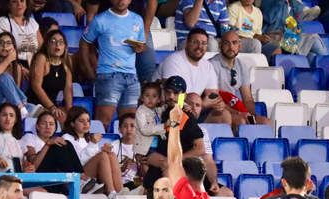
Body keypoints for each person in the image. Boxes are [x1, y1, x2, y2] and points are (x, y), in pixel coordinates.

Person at [80, 0, 145, 130]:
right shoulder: (100, 19)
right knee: (103, 122)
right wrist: (87, 68)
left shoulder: (137, 19)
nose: (121, 1)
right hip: (109, 75)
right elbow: (84, 42)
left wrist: (139, 48)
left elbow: (141, 46)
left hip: (132, 77)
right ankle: (97, 149)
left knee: (129, 125)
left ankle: (124, 151)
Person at [157, 28, 229, 125]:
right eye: (195, 42)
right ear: (187, 43)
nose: (200, 46)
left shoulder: (207, 66)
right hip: (170, 109)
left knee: (224, 115)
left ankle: (207, 140)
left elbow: (213, 96)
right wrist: (201, 104)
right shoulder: (174, 60)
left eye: (204, 43)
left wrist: (218, 104)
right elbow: (171, 97)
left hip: (194, 108)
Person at [208, 29, 269, 129]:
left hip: (234, 108)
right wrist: (239, 113)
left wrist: (251, 117)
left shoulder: (242, 66)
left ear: (239, 46)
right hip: (216, 110)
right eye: (226, 43)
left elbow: (248, 99)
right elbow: (213, 98)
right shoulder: (212, 64)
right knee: (241, 121)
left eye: (234, 43)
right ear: (220, 45)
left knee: (265, 123)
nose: (231, 47)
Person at [62, 106, 124, 196]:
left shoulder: (88, 139)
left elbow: (92, 157)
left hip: (90, 172)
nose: (86, 124)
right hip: (79, 176)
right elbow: (77, 162)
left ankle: (120, 191)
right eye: (81, 121)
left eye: (88, 121)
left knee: (111, 154)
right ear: (72, 123)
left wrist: (101, 149)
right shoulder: (67, 138)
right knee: (102, 156)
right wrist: (94, 144)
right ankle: (111, 193)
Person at [20, 110, 84, 181]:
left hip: (55, 171)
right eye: (44, 123)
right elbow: (34, 164)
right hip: (39, 173)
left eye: (51, 124)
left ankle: (80, 177)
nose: (48, 127)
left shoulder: (55, 141)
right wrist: (47, 145)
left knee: (66, 143)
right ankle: (77, 179)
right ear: (37, 127)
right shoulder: (29, 137)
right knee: (57, 147)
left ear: (55, 129)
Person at [27, 29, 73, 124]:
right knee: (57, 120)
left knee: (72, 121)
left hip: (52, 107)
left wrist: (71, 113)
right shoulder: (42, 58)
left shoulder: (65, 67)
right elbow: (36, 86)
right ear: (47, 45)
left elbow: (68, 91)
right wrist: (52, 107)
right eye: (53, 41)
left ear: (65, 47)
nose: (57, 45)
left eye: (61, 42)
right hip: (34, 105)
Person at [0, 0, 42, 64]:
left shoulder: (32, 22)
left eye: (22, 1)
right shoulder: (3, 23)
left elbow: (42, 47)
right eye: (14, 1)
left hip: (34, 63)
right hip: (13, 64)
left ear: (26, 4)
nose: (19, 4)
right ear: (8, 5)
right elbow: (3, 51)